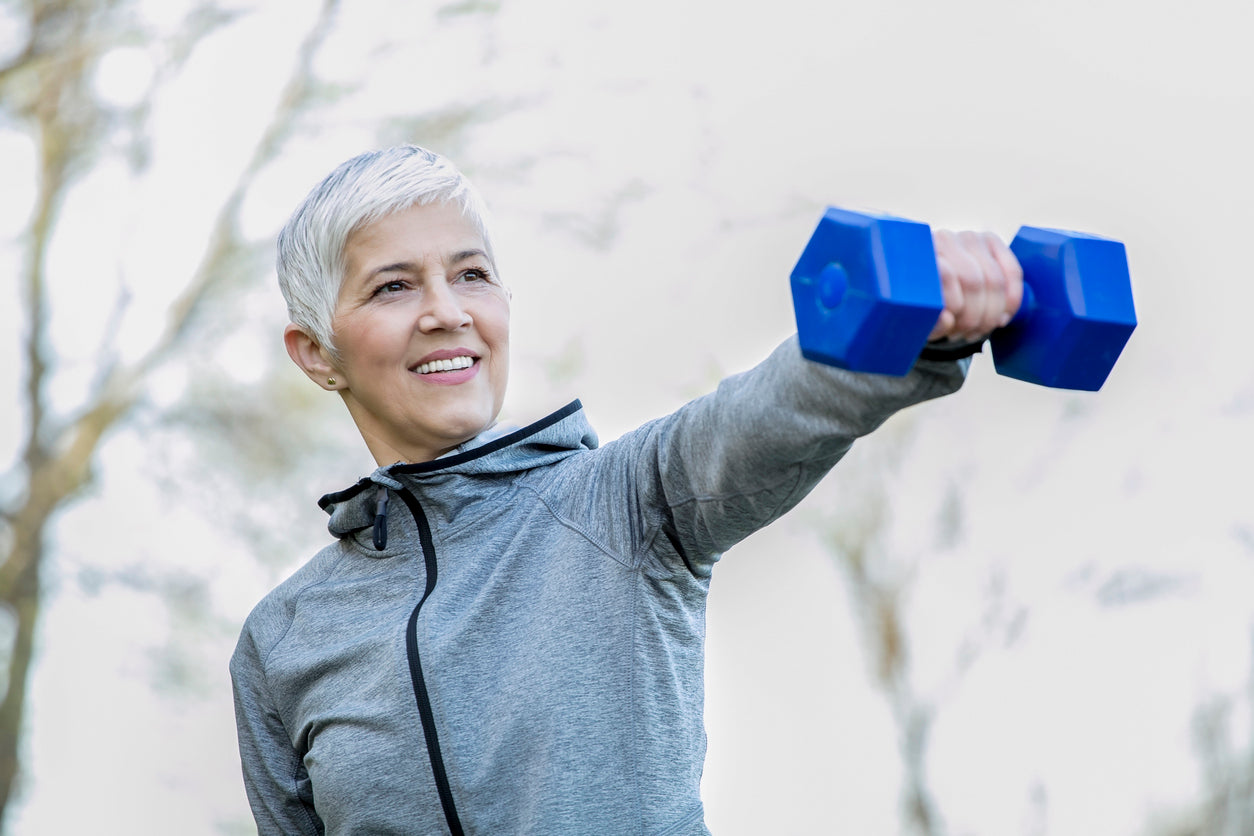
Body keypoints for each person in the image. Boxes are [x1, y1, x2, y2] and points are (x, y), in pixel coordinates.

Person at [229, 145, 1022, 835]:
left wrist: (915, 327)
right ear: (315, 353)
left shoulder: (623, 503)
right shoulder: (284, 641)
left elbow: (768, 413)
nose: (446, 312)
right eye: (393, 287)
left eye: (471, 275)